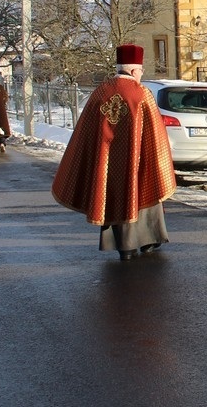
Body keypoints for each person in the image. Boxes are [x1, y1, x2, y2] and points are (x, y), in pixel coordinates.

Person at [52, 44, 176, 260]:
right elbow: (155, 134)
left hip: (106, 163)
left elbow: (86, 129)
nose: (141, 75)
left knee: (111, 196)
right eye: (140, 71)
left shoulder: (101, 91)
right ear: (132, 70)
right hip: (136, 163)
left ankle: (123, 247)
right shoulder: (142, 94)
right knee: (144, 192)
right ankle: (147, 241)